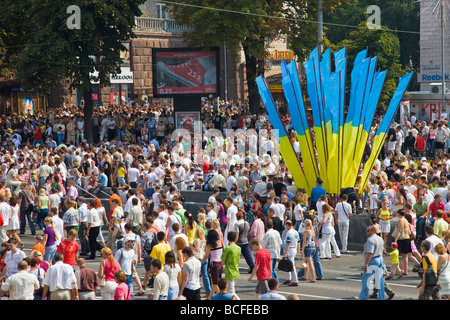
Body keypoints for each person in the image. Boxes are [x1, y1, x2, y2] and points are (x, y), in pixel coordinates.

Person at [359, 225, 390, 300]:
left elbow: (370, 253)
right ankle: (381, 297)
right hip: (380, 259)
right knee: (380, 280)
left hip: (373, 260)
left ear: (373, 231)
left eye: (368, 230)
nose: (366, 232)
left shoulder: (370, 240)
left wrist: (366, 264)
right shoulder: (380, 239)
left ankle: (363, 297)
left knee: (366, 280)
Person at [201, 229, 223, 300]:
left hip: (214, 264)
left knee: (215, 282)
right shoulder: (220, 242)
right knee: (214, 281)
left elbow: (206, 256)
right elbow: (224, 250)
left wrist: (200, 262)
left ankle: (221, 297)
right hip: (220, 263)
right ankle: (210, 296)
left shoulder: (210, 245)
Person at [220, 231, 241, 299]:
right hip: (236, 270)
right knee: (231, 291)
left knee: (231, 292)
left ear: (228, 239)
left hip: (229, 272)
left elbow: (222, 261)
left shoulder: (228, 249)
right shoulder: (238, 248)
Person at [283, 220, 300, 286]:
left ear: (287, 225)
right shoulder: (296, 232)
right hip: (294, 248)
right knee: (288, 264)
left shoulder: (289, 233)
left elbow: (288, 243)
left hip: (290, 249)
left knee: (291, 265)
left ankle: (295, 280)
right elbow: (298, 242)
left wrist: (285, 252)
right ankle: (288, 279)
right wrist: (298, 251)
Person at [300, 218, 316, 282]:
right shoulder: (312, 231)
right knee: (306, 262)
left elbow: (304, 241)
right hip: (313, 246)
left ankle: (313, 278)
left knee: (310, 263)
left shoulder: (306, 232)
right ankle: (305, 275)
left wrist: (302, 251)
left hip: (308, 247)